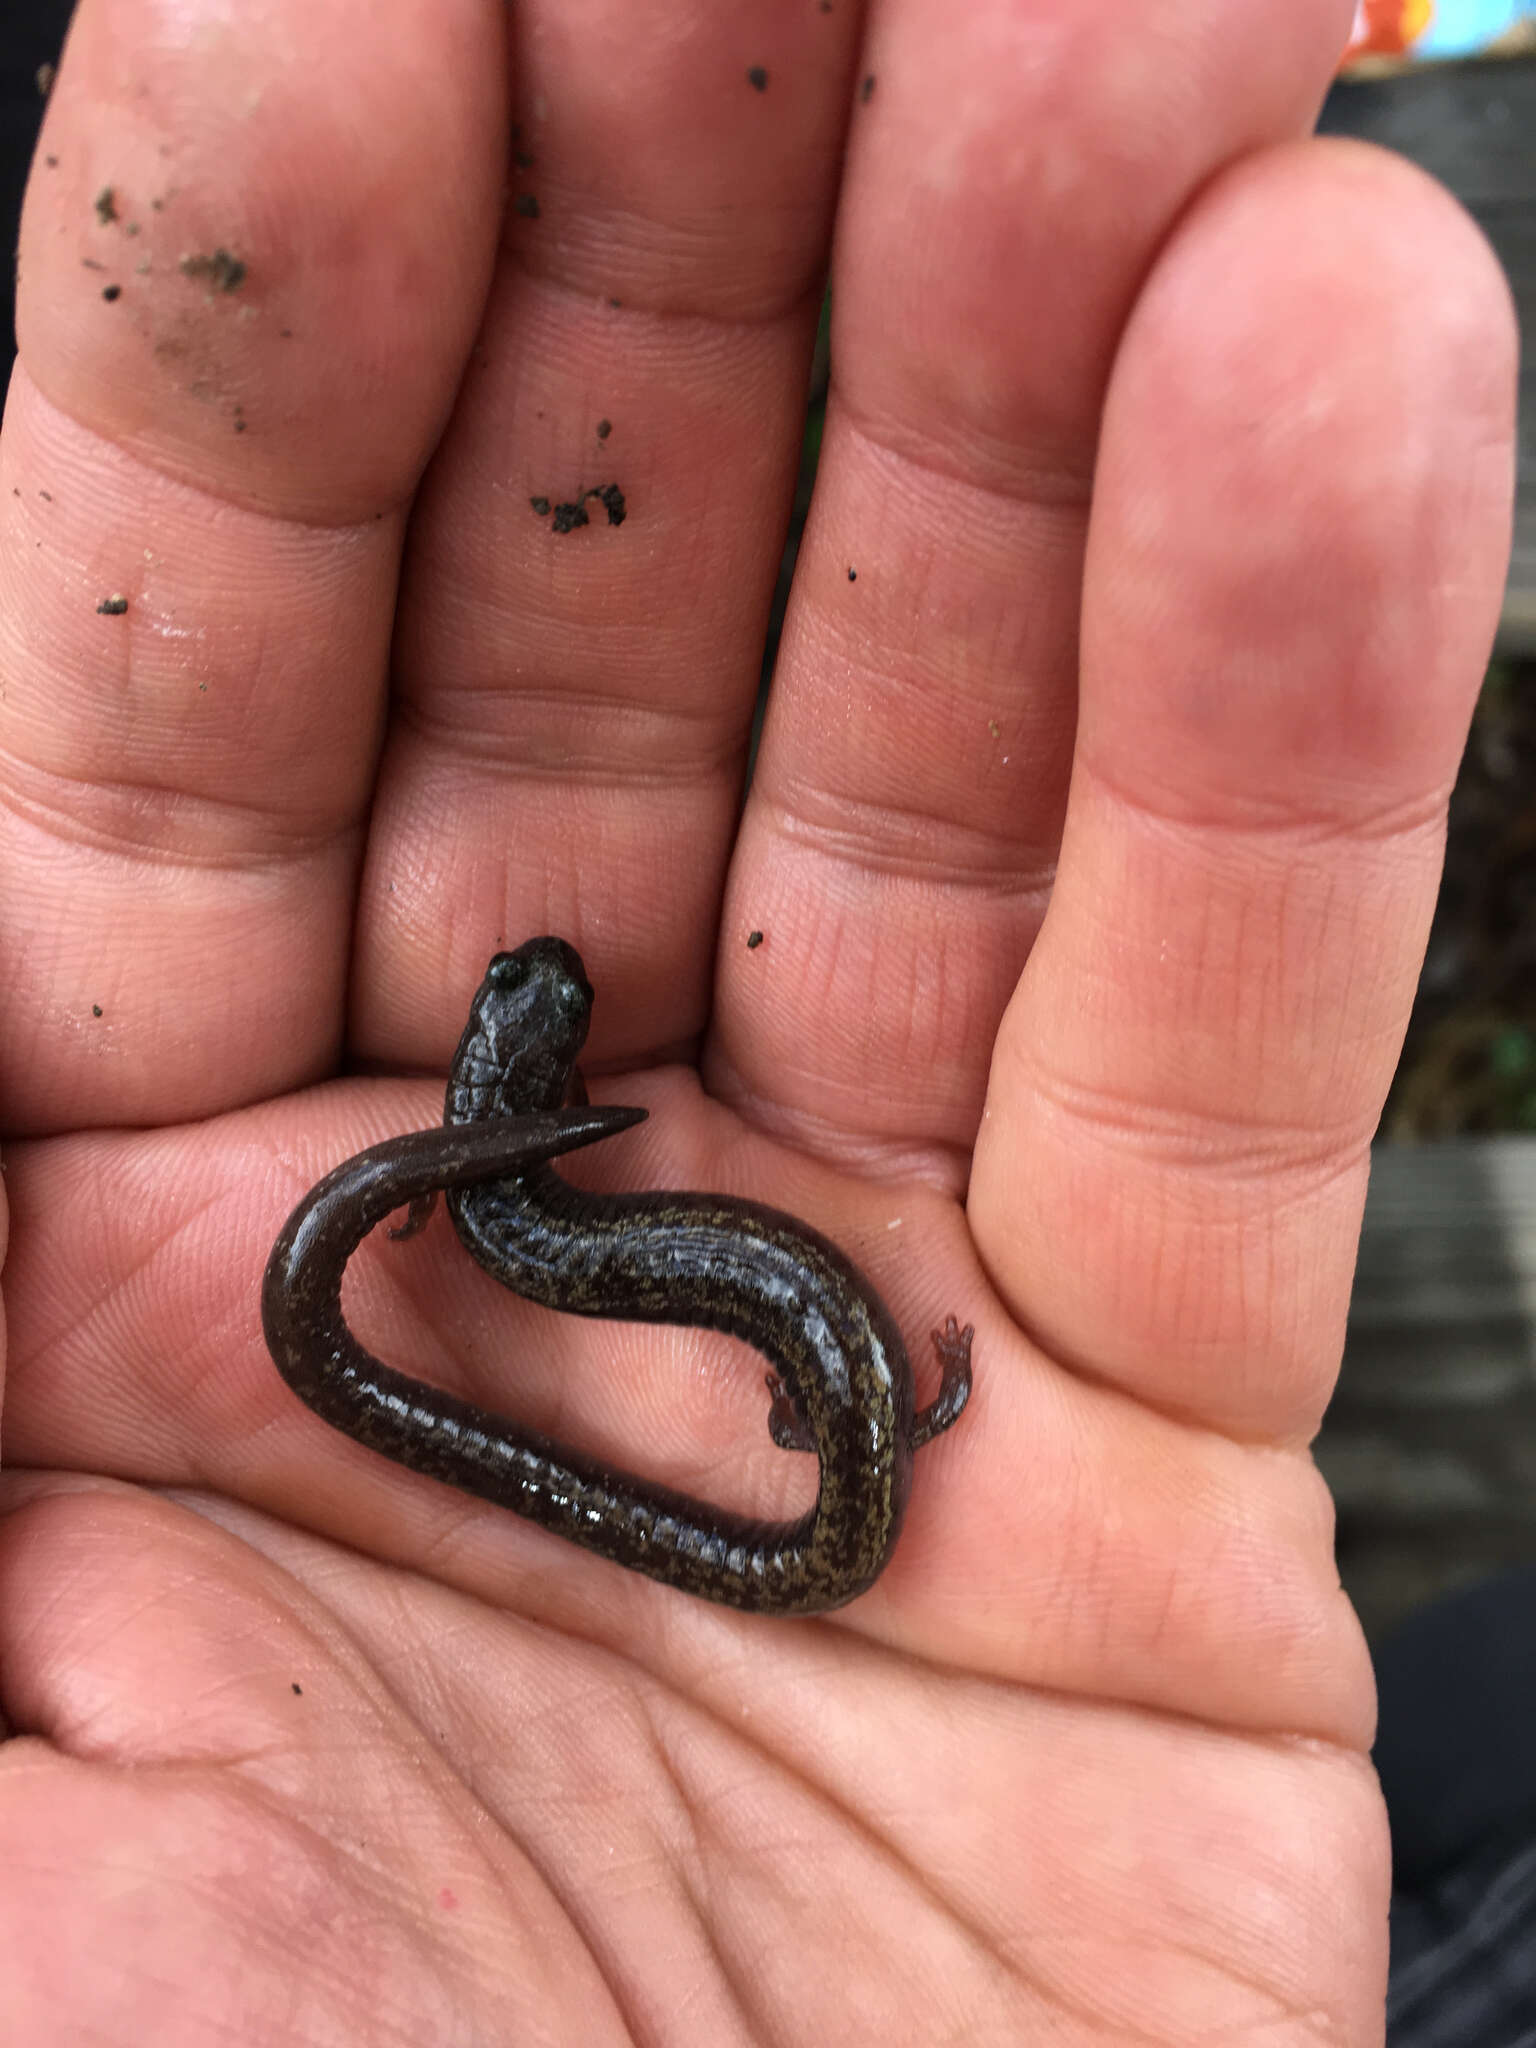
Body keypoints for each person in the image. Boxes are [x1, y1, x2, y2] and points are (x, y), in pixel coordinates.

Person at [0, 0, 1516, 2039]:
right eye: (537, 1040)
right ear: (527, 1091)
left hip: (791, 1445)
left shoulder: (521, 1227)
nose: (545, 1015)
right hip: (800, 1465)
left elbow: (682, 1315)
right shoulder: (539, 1235)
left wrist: (871, 1401)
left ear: (510, 1102)